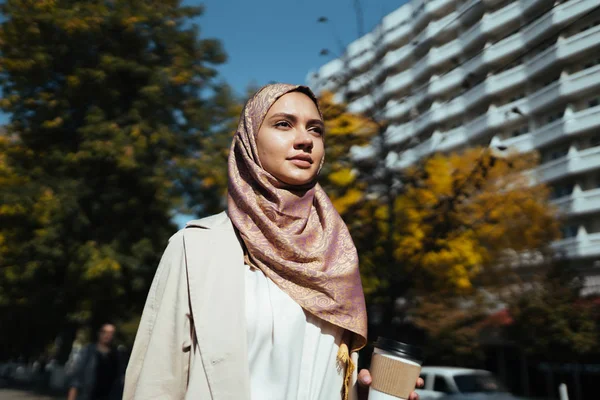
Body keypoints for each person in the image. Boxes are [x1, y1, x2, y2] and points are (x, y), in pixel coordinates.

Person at [123, 83, 423, 399]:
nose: (305, 140)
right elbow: (156, 381)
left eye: (316, 130)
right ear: (250, 140)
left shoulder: (336, 256)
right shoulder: (196, 248)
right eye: (283, 124)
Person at [68, 323, 124, 400]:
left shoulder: (116, 356)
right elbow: (77, 378)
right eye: (105, 332)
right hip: (87, 396)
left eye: (111, 333)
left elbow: (118, 380)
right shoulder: (88, 351)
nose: (107, 335)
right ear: (99, 333)